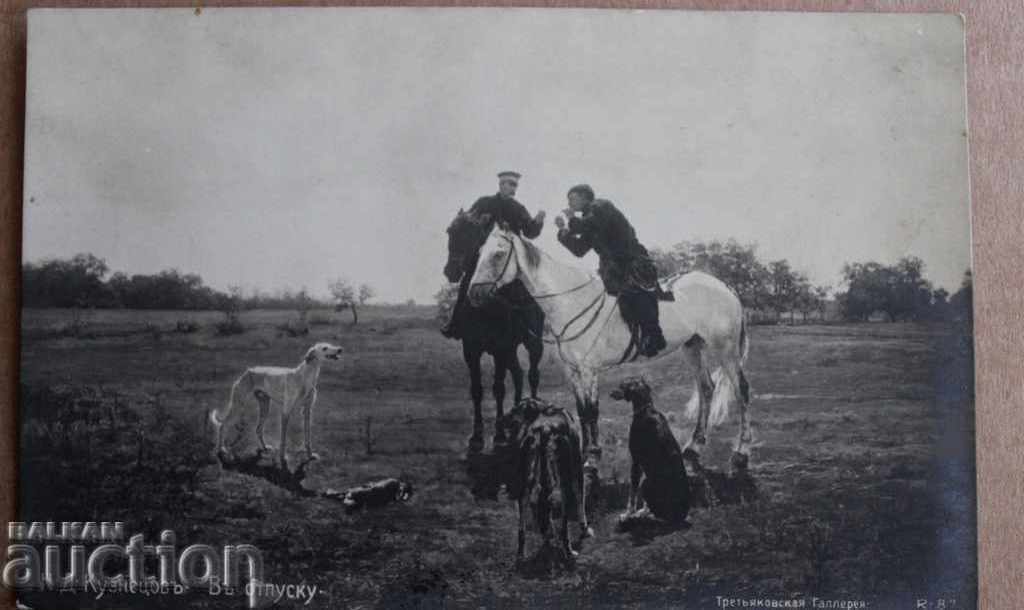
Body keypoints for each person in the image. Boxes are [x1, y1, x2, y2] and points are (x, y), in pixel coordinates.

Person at [554, 184, 667, 357]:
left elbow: (590, 223)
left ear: (585, 197)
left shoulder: (601, 206)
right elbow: (579, 249)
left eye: (572, 199)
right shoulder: (588, 221)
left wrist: (571, 220)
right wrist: (563, 231)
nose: (569, 203)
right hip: (612, 269)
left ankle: (653, 336)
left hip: (632, 262)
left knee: (637, 293)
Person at [441, 171, 546, 339]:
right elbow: (467, 222)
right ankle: (456, 323)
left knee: (531, 286)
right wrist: (477, 222)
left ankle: (535, 327)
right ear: (501, 184)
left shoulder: (518, 208)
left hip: (509, 258)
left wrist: (538, 221)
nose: (513, 188)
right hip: (484, 257)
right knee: (468, 283)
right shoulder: (484, 202)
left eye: (515, 185)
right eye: (510, 184)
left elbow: (530, 232)